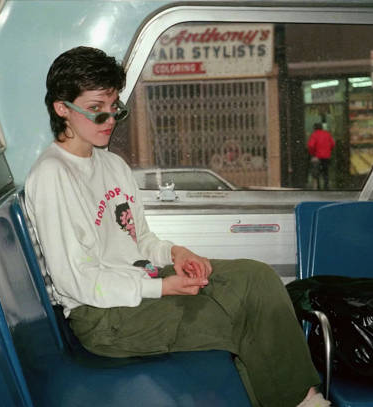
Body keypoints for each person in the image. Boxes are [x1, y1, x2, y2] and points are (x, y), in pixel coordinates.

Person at [25, 46, 330, 407]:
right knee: (238, 318)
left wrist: (175, 253)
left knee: (257, 277)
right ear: (62, 108)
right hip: (104, 317)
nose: (109, 119)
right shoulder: (52, 176)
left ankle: (303, 399)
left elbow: (140, 239)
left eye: (114, 108)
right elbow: (75, 280)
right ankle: (306, 402)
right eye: (95, 110)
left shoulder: (112, 166)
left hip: (143, 282)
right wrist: (161, 287)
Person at [307, 123, 335, 190]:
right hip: (326, 156)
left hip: (317, 157)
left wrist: (313, 154)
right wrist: (328, 150)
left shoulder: (314, 135)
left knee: (317, 173)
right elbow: (333, 144)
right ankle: (326, 186)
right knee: (326, 172)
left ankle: (318, 187)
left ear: (314, 128)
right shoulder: (327, 134)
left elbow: (311, 145)